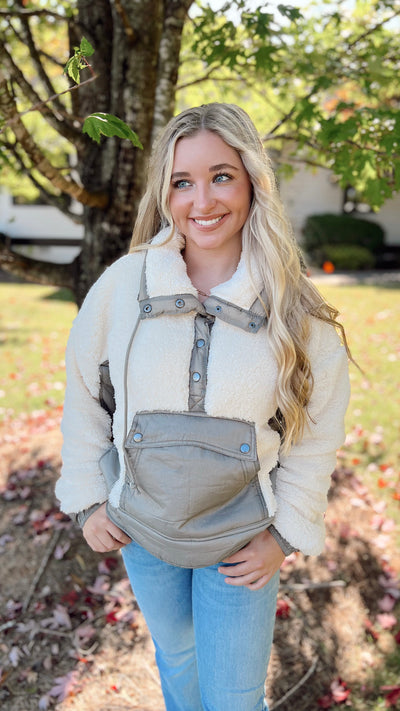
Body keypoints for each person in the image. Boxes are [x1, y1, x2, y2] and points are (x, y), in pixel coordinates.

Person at [56, 103, 351, 711]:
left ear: (252, 181)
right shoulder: (124, 285)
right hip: (142, 530)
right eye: (182, 182)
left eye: (221, 176)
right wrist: (88, 498)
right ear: (164, 193)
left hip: (242, 542)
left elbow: (317, 431)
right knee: (178, 659)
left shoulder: (294, 307)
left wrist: (284, 535)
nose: (203, 201)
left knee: (234, 698)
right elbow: (84, 393)